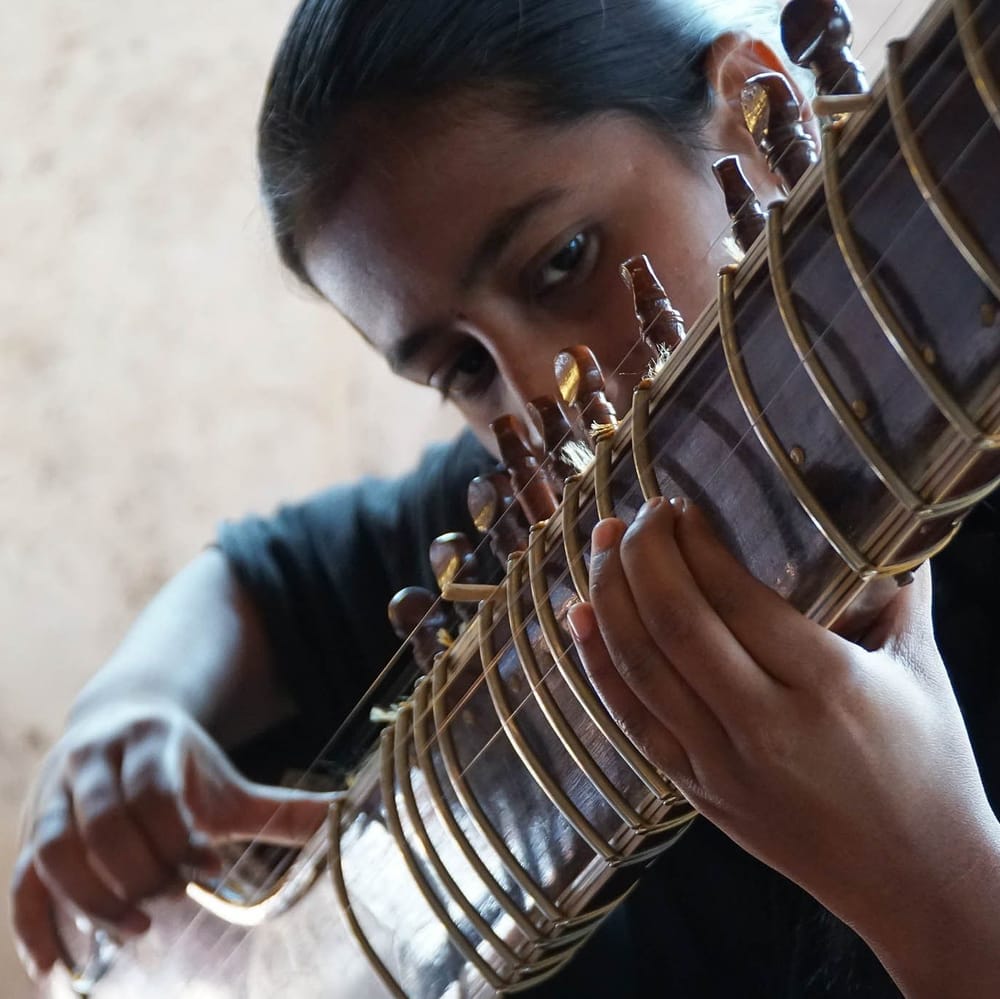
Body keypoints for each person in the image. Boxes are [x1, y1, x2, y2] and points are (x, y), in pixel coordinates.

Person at [11, 0, 1000, 995]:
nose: (537, 387)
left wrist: (936, 883)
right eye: (459, 368)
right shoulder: (553, 516)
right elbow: (276, 577)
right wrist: (126, 709)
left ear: (751, 109)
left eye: (563, 261)